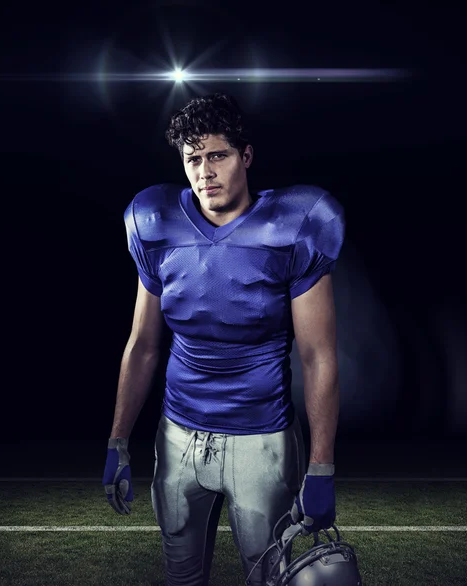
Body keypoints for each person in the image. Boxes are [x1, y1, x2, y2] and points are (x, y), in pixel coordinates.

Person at [103, 93, 344, 586]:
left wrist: (321, 466)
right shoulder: (155, 223)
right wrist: (118, 440)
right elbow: (143, 344)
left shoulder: (293, 226)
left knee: (267, 576)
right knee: (180, 575)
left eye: (218, 155)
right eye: (194, 159)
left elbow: (318, 355)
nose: (205, 171)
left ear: (245, 156)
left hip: (261, 438)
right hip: (178, 434)